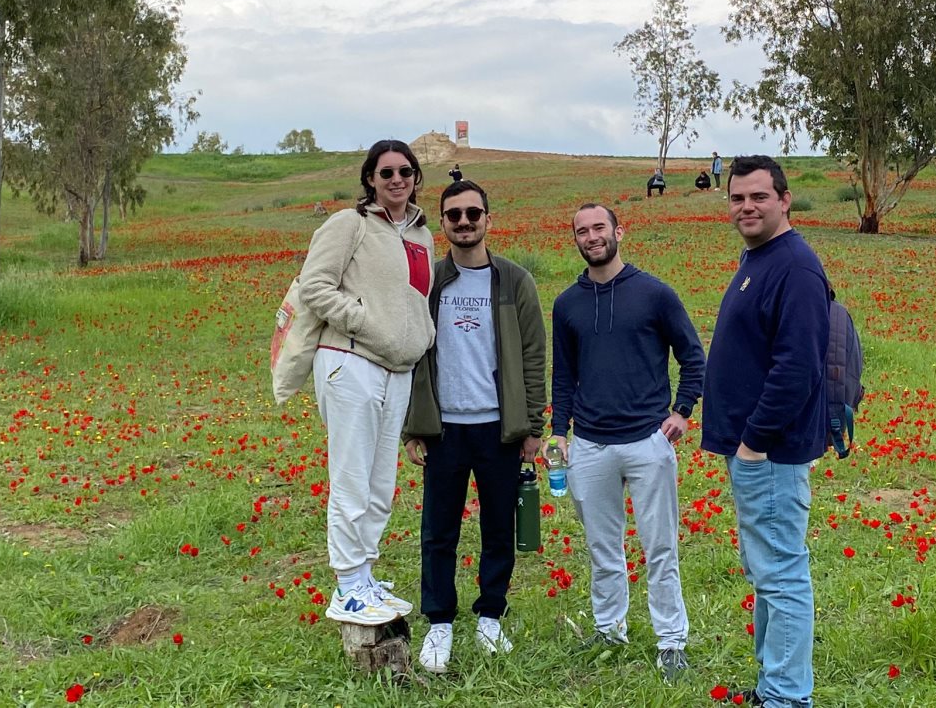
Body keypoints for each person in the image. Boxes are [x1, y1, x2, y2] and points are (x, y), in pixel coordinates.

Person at [551, 203, 705, 682]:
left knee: (660, 548)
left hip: (647, 441)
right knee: (603, 548)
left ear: (619, 231)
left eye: (599, 227)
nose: (592, 237)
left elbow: (693, 356)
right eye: (582, 231)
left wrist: (682, 410)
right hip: (590, 443)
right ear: (576, 239)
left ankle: (671, 641)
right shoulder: (567, 303)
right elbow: (564, 375)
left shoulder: (655, 294)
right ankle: (609, 630)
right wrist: (558, 431)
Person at [701, 155, 831, 708]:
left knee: (780, 573)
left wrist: (754, 443)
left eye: (759, 197)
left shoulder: (795, 267)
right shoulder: (760, 258)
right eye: (738, 198)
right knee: (767, 570)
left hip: (769, 452)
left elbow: (798, 367)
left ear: (784, 200)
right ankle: (774, 686)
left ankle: (787, 697)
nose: (746, 207)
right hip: (755, 450)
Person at [404, 180, 547, 672]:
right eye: (454, 215)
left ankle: (491, 614)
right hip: (444, 428)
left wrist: (533, 425)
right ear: (442, 223)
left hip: (498, 428)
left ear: (488, 219)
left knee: (498, 527)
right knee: (438, 530)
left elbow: (533, 355)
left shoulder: (515, 281)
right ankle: (439, 620)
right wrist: (413, 427)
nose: (464, 222)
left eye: (472, 213)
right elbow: (411, 356)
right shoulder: (428, 282)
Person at [299, 139, 435, 626]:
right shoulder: (349, 224)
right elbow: (314, 286)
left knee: (381, 483)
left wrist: (418, 337)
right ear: (370, 180)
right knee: (352, 478)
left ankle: (365, 574)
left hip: (398, 369)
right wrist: (361, 321)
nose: (397, 180)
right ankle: (347, 585)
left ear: (415, 178)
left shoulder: (422, 235)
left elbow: (417, 300)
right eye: (386, 173)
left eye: (405, 171)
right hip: (351, 361)